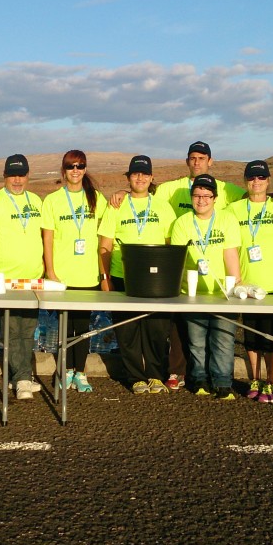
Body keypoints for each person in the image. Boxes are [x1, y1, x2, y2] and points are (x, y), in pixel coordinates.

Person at [108, 141, 247, 390]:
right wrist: (122, 192)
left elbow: (253, 192)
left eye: (202, 158)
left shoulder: (226, 192)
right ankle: (144, 376)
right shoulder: (169, 192)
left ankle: (184, 376)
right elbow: (140, 194)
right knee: (134, 330)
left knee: (163, 329)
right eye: (192, 158)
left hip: (173, 279)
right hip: (136, 274)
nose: (197, 162)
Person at [98, 155, 176, 395]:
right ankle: (135, 377)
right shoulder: (116, 205)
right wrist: (104, 277)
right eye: (135, 174)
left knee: (156, 329)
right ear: (128, 178)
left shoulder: (162, 206)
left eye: (144, 173)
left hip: (156, 279)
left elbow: (169, 242)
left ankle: (155, 375)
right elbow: (105, 244)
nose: (140, 178)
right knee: (127, 329)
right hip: (123, 276)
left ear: (152, 178)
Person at [228, 161, 273, 403]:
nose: (256, 182)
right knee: (251, 335)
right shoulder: (235, 209)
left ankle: (272, 382)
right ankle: (255, 379)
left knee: (271, 335)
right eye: (251, 178)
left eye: (261, 178)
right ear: (245, 181)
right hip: (247, 283)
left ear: (268, 181)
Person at [0, 154, 44, 400]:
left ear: (28, 176)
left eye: (22, 175)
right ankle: (22, 379)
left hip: (32, 278)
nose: (17, 180)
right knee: (11, 329)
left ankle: (20, 374)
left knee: (27, 329)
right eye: (12, 175)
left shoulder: (36, 200)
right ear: (5, 176)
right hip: (5, 279)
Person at [169, 174, 241, 400]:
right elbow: (178, 260)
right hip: (192, 293)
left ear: (215, 198)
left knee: (223, 339)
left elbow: (230, 253)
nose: (201, 200)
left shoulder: (227, 220)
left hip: (222, 294)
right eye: (197, 195)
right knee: (197, 340)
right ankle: (199, 378)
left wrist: (235, 284)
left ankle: (222, 382)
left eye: (206, 195)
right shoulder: (181, 223)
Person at [42, 149, 105, 393]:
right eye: (71, 167)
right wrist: (51, 271)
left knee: (84, 328)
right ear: (64, 171)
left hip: (88, 275)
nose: (75, 171)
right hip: (62, 276)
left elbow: (105, 232)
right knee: (65, 328)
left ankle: (81, 372)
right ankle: (65, 370)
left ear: (85, 169)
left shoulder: (96, 198)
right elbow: (48, 238)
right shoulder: (53, 200)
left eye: (80, 166)